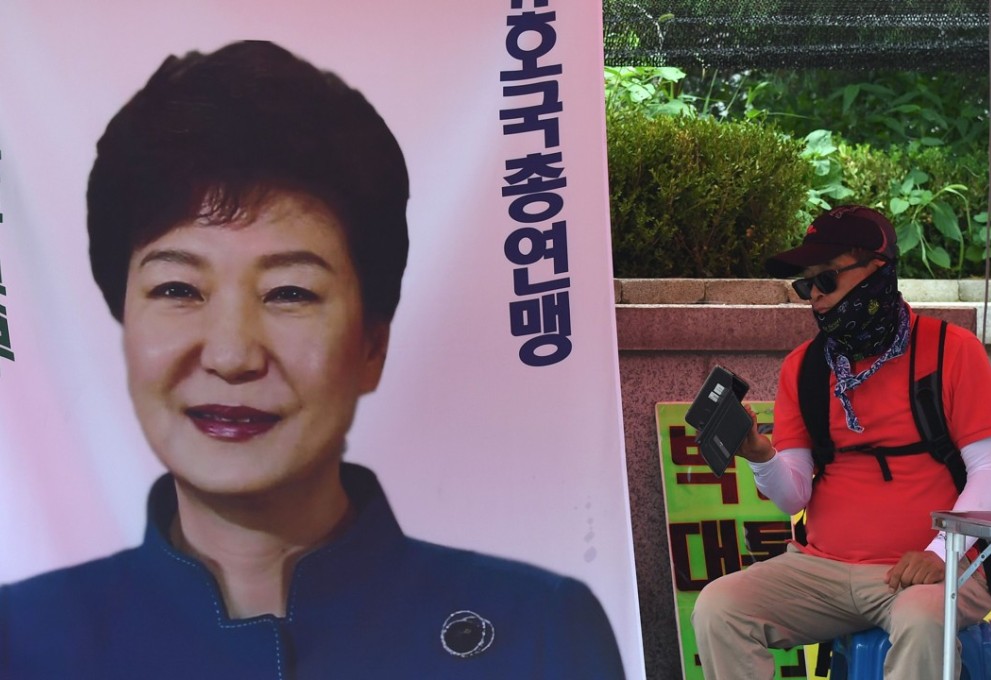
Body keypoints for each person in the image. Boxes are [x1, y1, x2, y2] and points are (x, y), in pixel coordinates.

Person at [0, 40, 625, 679]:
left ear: (371, 346)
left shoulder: (539, 631)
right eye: (178, 290)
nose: (232, 354)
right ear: (124, 325)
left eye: (290, 293)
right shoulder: (21, 639)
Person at [691, 204, 991, 679]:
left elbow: (987, 472)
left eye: (826, 280)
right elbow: (793, 495)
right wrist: (760, 455)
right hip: (821, 570)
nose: (814, 298)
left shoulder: (951, 350)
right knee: (719, 608)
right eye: (805, 285)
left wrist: (940, 553)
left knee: (923, 620)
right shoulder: (803, 367)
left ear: (876, 269)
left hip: (936, 569)